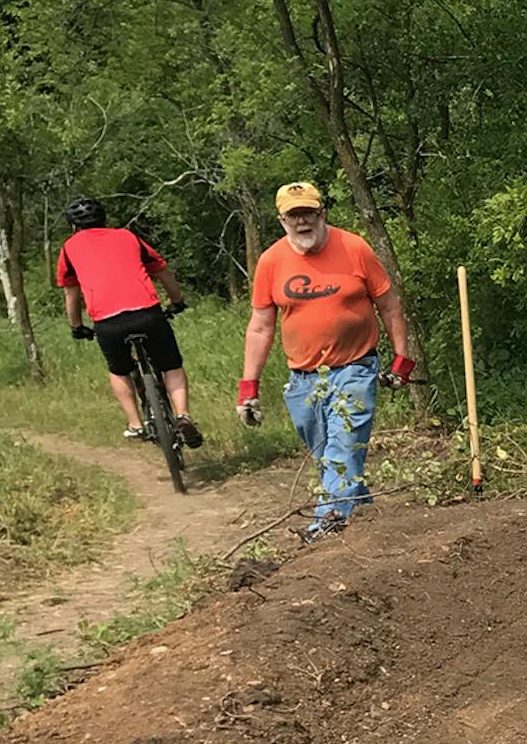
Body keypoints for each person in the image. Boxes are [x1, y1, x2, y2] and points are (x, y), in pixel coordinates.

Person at [238, 182, 414, 544]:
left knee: (343, 448)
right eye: (293, 215)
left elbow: (390, 306)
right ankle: (362, 510)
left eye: (308, 213)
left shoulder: (354, 248)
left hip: (355, 367)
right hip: (303, 378)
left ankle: (327, 527)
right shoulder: (271, 262)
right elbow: (259, 326)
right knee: (326, 455)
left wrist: (402, 360)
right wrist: (248, 389)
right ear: (281, 219)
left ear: (322, 214)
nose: (302, 221)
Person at [55, 197, 202, 446]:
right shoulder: (127, 236)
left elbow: (71, 293)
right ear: (104, 220)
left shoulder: (69, 248)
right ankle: (182, 415)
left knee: (119, 370)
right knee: (171, 365)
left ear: (73, 226)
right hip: (147, 313)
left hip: (107, 321)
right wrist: (176, 301)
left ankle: (135, 424)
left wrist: (77, 326)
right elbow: (161, 271)